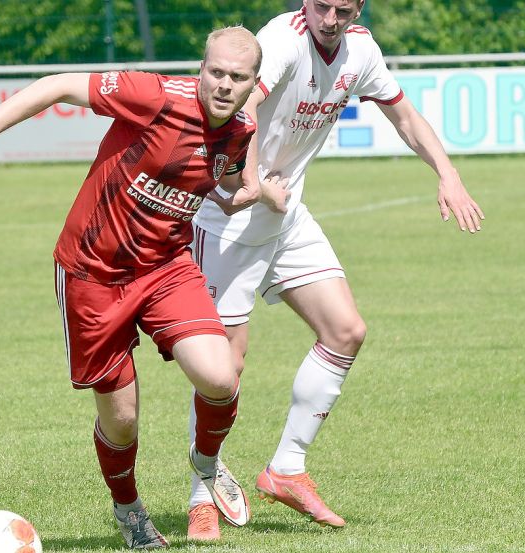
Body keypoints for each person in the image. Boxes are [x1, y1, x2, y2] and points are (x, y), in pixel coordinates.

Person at [0, 26, 264, 549]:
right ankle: (129, 508)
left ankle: (206, 463)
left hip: (165, 268)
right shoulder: (156, 96)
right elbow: (59, 84)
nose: (224, 84)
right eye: (216, 72)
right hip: (93, 272)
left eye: (237, 77)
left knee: (221, 378)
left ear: (253, 83)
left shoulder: (239, 132)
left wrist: (248, 191)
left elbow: (220, 183)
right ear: (201, 69)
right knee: (123, 418)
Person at [184, 0, 485, 537]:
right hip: (227, 218)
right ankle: (201, 490)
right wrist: (253, 187)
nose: (329, 17)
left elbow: (405, 117)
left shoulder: (362, 50)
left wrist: (448, 172)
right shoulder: (281, 39)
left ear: (359, 7)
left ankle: (286, 469)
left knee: (345, 331)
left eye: (342, 9)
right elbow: (238, 115)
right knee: (222, 369)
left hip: (286, 215)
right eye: (321, 5)